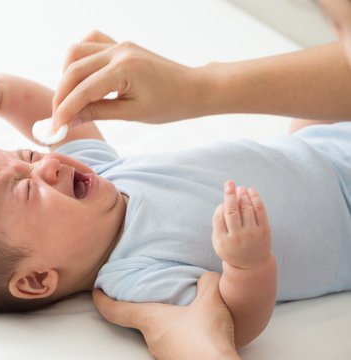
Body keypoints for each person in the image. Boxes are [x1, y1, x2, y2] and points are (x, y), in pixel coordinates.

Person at [47, 0, 351, 358]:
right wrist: (246, 265)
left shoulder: (102, 174)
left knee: (305, 119)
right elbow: (232, 320)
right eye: (24, 190)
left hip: (315, 146)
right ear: (37, 279)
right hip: (342, 219)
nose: (46, 166)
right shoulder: (132, 277)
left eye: (28, 157)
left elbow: (52, 118)